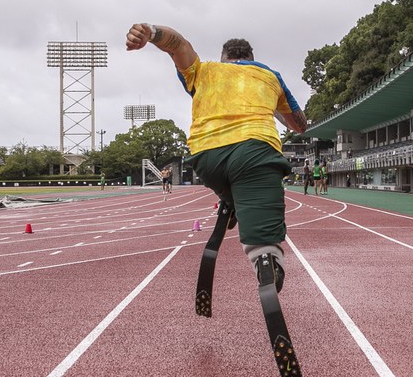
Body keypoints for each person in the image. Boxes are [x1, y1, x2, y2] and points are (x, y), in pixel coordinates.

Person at [125, 22, 307, 286]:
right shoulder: (269, 75)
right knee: (263, 221)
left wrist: (150, 32)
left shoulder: (205, 69)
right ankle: (266, 258)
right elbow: (299, 125)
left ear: (224, 58)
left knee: (230, 179)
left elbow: (178, 44)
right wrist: (275, 106)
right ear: (251, 58)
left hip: (206, 157)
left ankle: (231, 201)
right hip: (255, 151)